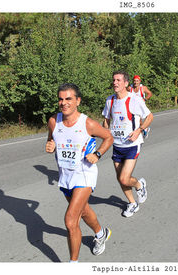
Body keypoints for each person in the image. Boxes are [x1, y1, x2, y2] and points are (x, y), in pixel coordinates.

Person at [45, 83, 114, 262]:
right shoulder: (53, 121)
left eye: (68, 99)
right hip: (65, 176)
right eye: (61, 99)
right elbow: (51, 140)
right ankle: (101, 233)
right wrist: (50, 146)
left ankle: (73, 264)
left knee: (70, 220)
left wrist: (98, 154)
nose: (64, 102)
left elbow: (108, 137)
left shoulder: (88, 123)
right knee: (83, 211)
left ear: (78, 101)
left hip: (84, 174)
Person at [102, 71, 154, 218]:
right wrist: (104, 133)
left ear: (126, 83)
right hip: (117, 145)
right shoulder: (110, 101)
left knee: (125, 178)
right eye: (113, 80)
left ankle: (139, 185)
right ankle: (132, 203)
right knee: (120, 178)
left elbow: (149, 116)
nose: (115, 82)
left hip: (132, 145)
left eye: (118, 80)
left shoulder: (134, 99)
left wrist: (139, 130)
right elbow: (106, 120)